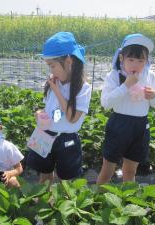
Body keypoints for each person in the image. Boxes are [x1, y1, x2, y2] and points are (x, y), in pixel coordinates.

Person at [96, 33, 155, 185]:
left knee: (130, 171)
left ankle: (127, 201)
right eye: (131, 59)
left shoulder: (150, 77)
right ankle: (97, 201)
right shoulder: (114, 76)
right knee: (108, 170)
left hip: (140, 126)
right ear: (122, 58)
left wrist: (153, 96)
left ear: (147, 61)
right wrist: (126, 85)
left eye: (140, 60)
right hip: (119, 124)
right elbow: (106, 103)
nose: (135, 64)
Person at [27, 31, 92, 183]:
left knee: (66, 180)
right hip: (45, 134)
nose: (51, 71)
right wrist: (40, 113)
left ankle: (63, 206)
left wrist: (56, 90)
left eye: (53, 66)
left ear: (69, 61)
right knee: (44, 174)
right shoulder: (53, 82)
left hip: (66, 140)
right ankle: (45, 203)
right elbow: (52, 110)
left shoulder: (83, 88)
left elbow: (71, 117)